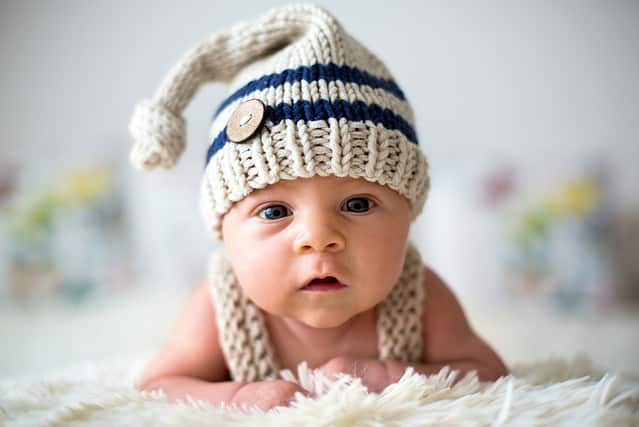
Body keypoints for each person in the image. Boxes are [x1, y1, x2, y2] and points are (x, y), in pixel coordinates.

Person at [128, 3, 508, 411]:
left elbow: (489, 373)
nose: (320, 238)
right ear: (224, 233)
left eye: (358, 203)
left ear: (409, 215)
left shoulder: (418, 295)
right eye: (274, 212)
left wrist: (385, 375)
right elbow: (158, 384)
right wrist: (237, 395)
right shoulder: (222, 304)